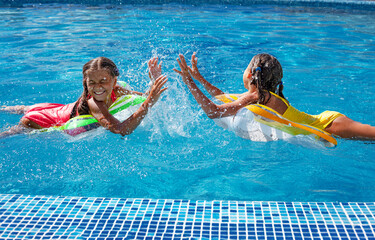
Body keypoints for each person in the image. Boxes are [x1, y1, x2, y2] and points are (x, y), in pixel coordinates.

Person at [174, 52, 375, 140]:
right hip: (325, 121)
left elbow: (214, 111)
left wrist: (189, 82)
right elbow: (224, 98)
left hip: (328, 125)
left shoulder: (257, 97)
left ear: (251, 74)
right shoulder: (259, 95)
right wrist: (199, 78)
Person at [0, 56, 167, 138]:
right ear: (85, 83)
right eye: (92, 82)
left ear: (114, 80)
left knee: (21, 108)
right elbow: (121, 129)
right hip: (42, 119)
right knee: (12, 131)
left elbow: (145, 97)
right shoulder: (95, 104)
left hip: (59, 108)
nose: (98, 87)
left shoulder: (119, 90)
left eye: (103, 81)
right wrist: (148, 103)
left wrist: (153, 81)